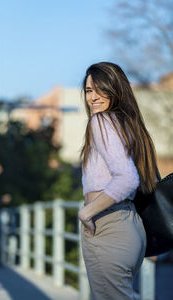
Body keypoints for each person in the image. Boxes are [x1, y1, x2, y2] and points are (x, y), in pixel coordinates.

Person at [78, 62, 160, 300]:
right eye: (88, 91)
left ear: (115, 89)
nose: (93, 97)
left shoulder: (101, 122)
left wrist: (86, 213)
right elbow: (150, 180)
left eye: (100, 89)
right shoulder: (131, 126)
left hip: (108, 226)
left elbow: (127, 178)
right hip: (131, 229)